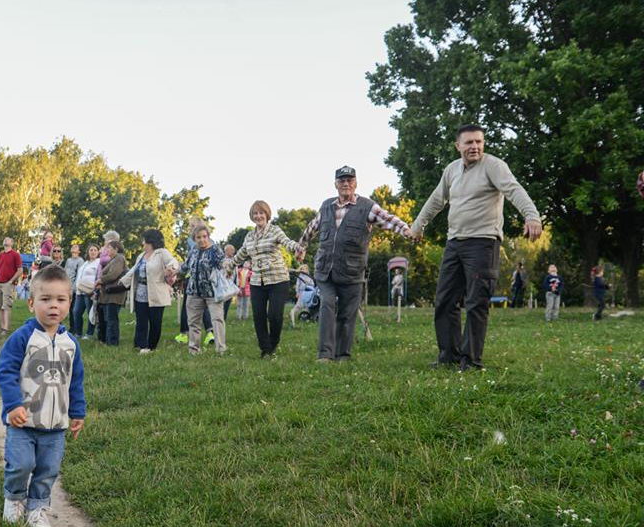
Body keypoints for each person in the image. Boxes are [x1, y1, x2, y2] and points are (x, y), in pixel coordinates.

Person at [408, 124, 542, 371]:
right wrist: (417, 226)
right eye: (469, 142)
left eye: (479, 142)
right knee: (445, 300)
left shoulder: (493, 166)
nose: (475, 147)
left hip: (483, 242)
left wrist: (532, 216)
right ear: (458, 145)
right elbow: (437, 199)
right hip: (454, 242)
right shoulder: (451, 170)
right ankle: (448, 356)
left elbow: (514, 190)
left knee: (476, 302)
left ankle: (470, 361)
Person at [0, 264, 85, 527]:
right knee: (21, 465)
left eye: (61, 299)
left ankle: (37, 507)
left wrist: (77, 413)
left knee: (48, 469)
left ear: (69, 303)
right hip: (23, 422)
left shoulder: (71, 344)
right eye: (46, 299)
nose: (53, 306)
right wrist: (13, 406)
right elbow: (6, 371)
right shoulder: (23, 337)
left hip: (55, 425)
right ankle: (14, 500)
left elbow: (75, 381)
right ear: (31, 303)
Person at [297, 166, 412, 361]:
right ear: (336, 184)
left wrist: (406, 230)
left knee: (347, 313)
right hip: (325, 269)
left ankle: (342, 355)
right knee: (327, 304)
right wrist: (301, 246)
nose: (346, 184)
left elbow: (388, 219)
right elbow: (312, 227)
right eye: (341, 181)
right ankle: (325, 354)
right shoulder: (326, 206)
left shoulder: (367, 207)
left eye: (349, 180)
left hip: (352, 270)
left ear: (356, 183)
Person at [232, 200, 303, 358]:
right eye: (255, 213)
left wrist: (297, 248)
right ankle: (265, 349)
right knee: (259, 316)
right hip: (257, 281)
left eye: (261, 213)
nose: (258, 216)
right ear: (252, 216)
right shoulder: (249, 236)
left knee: (274, 315)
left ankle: (274, 342)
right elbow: (241, 254)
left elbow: (287, 242)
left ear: (267, 214)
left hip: (278, 279)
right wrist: (229, 264)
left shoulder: (274, 231)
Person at [121, 229, 180, 353]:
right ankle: (140, 345)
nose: (142, 242)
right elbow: (133, 271)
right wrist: (121, 282)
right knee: (141, 321)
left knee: (155, 322)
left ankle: (151, 347)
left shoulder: (162, 253)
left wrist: (170, 268)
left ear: (150, 240)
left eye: (144, 240)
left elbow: (173, 261)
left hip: (156, 293)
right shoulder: (141, 256)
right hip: (140, 292)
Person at [180, 224, 227, 354]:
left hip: (213, 292)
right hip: (194, 292)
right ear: (194, 239)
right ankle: (194, 349)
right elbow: (185, 267)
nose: (202, 240)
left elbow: (223, 262)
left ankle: (221, 349)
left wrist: (227, 265)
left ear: (208, 236)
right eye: (198, 237)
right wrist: (174, 272)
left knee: (217, 320)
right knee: (193, 322)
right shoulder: (193, 251)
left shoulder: (215, 250)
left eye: (204, 236)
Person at [175, 217, 213, 345]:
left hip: (193, 279)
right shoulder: (210, 240)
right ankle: (210, 332)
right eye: (190, 226)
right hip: (204, 279)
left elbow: (190, 259)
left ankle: (184, 334)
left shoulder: (192, 240)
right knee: (204, 306)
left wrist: (180, 272)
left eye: (192, 225)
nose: (190, 228)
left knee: (188, 306)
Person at [96, 240, 127, 346]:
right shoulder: (113, 259)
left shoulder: (119, 258)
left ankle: (112, 343)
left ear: (116, 249)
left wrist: (100, 280)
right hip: (108, 295)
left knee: (112, 320)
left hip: (114, 295)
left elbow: (113, 274)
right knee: (107, 319)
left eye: (109, 248)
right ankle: (107, 341)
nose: (106, 250)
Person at [0, 238, 23, 336]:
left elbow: (20, 270)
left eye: (8, 239)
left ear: (12, 243)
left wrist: (11, 281)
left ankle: (5, 329)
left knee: (6, 306)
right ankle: (2, 327)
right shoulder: (0, 255)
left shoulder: (15, 255)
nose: (5, 240)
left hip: (8, 283)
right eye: (4, 239)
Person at [70, 245, 100, 338]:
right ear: (88, 252)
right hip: (80, 292)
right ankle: (78, 333)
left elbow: (99, 276)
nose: (93, 252)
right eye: (91, 250)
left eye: (95, 250)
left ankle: (89, 334)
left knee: (90, 313)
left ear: (98, 252)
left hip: (90, 292)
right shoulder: (85, 263)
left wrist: (96, 290)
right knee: (76, 312)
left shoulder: (98, 263)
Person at [222, 244, 237, 319]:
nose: (233, 252)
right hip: (224, 284)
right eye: (231, 250)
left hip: (232, 283)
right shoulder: (223, 260)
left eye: (233, 250)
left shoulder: (235, 260)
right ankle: (221, 317)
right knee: (223, 302)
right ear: (226, 251)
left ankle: (224, 317)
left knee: (228, 301)